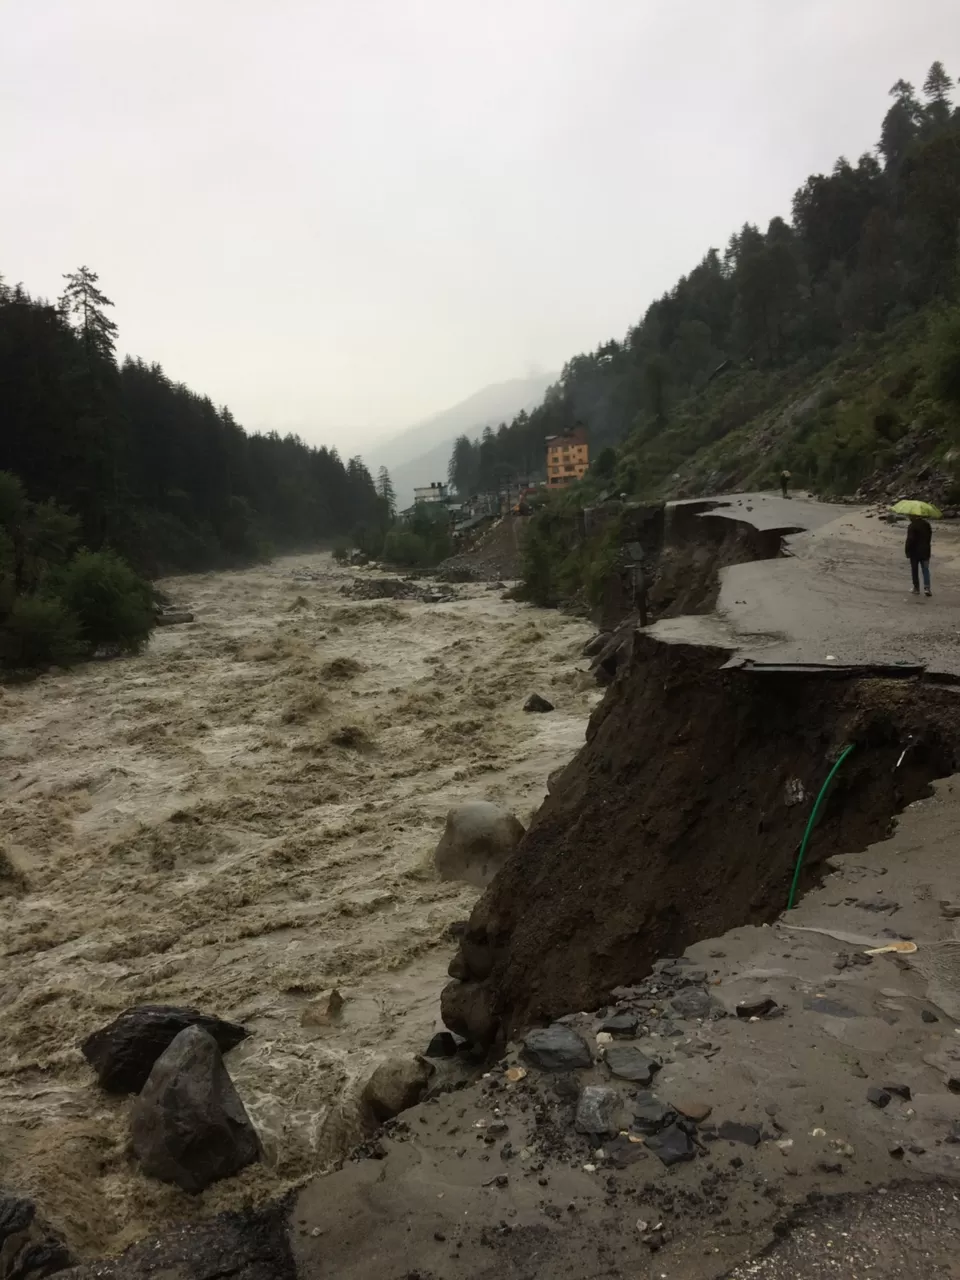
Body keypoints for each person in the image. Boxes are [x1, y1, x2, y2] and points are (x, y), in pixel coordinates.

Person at [905, 514, 932, 596]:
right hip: (925, 551)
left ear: (912, 516)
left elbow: (910, 539)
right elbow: (929, 537)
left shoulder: (912, 526)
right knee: (925, 569)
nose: (908, 517)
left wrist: (907, 551)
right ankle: (927, 588)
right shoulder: (927, 525)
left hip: (914, 552)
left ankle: (916, 588)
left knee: (914, 570)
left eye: (909, 516)